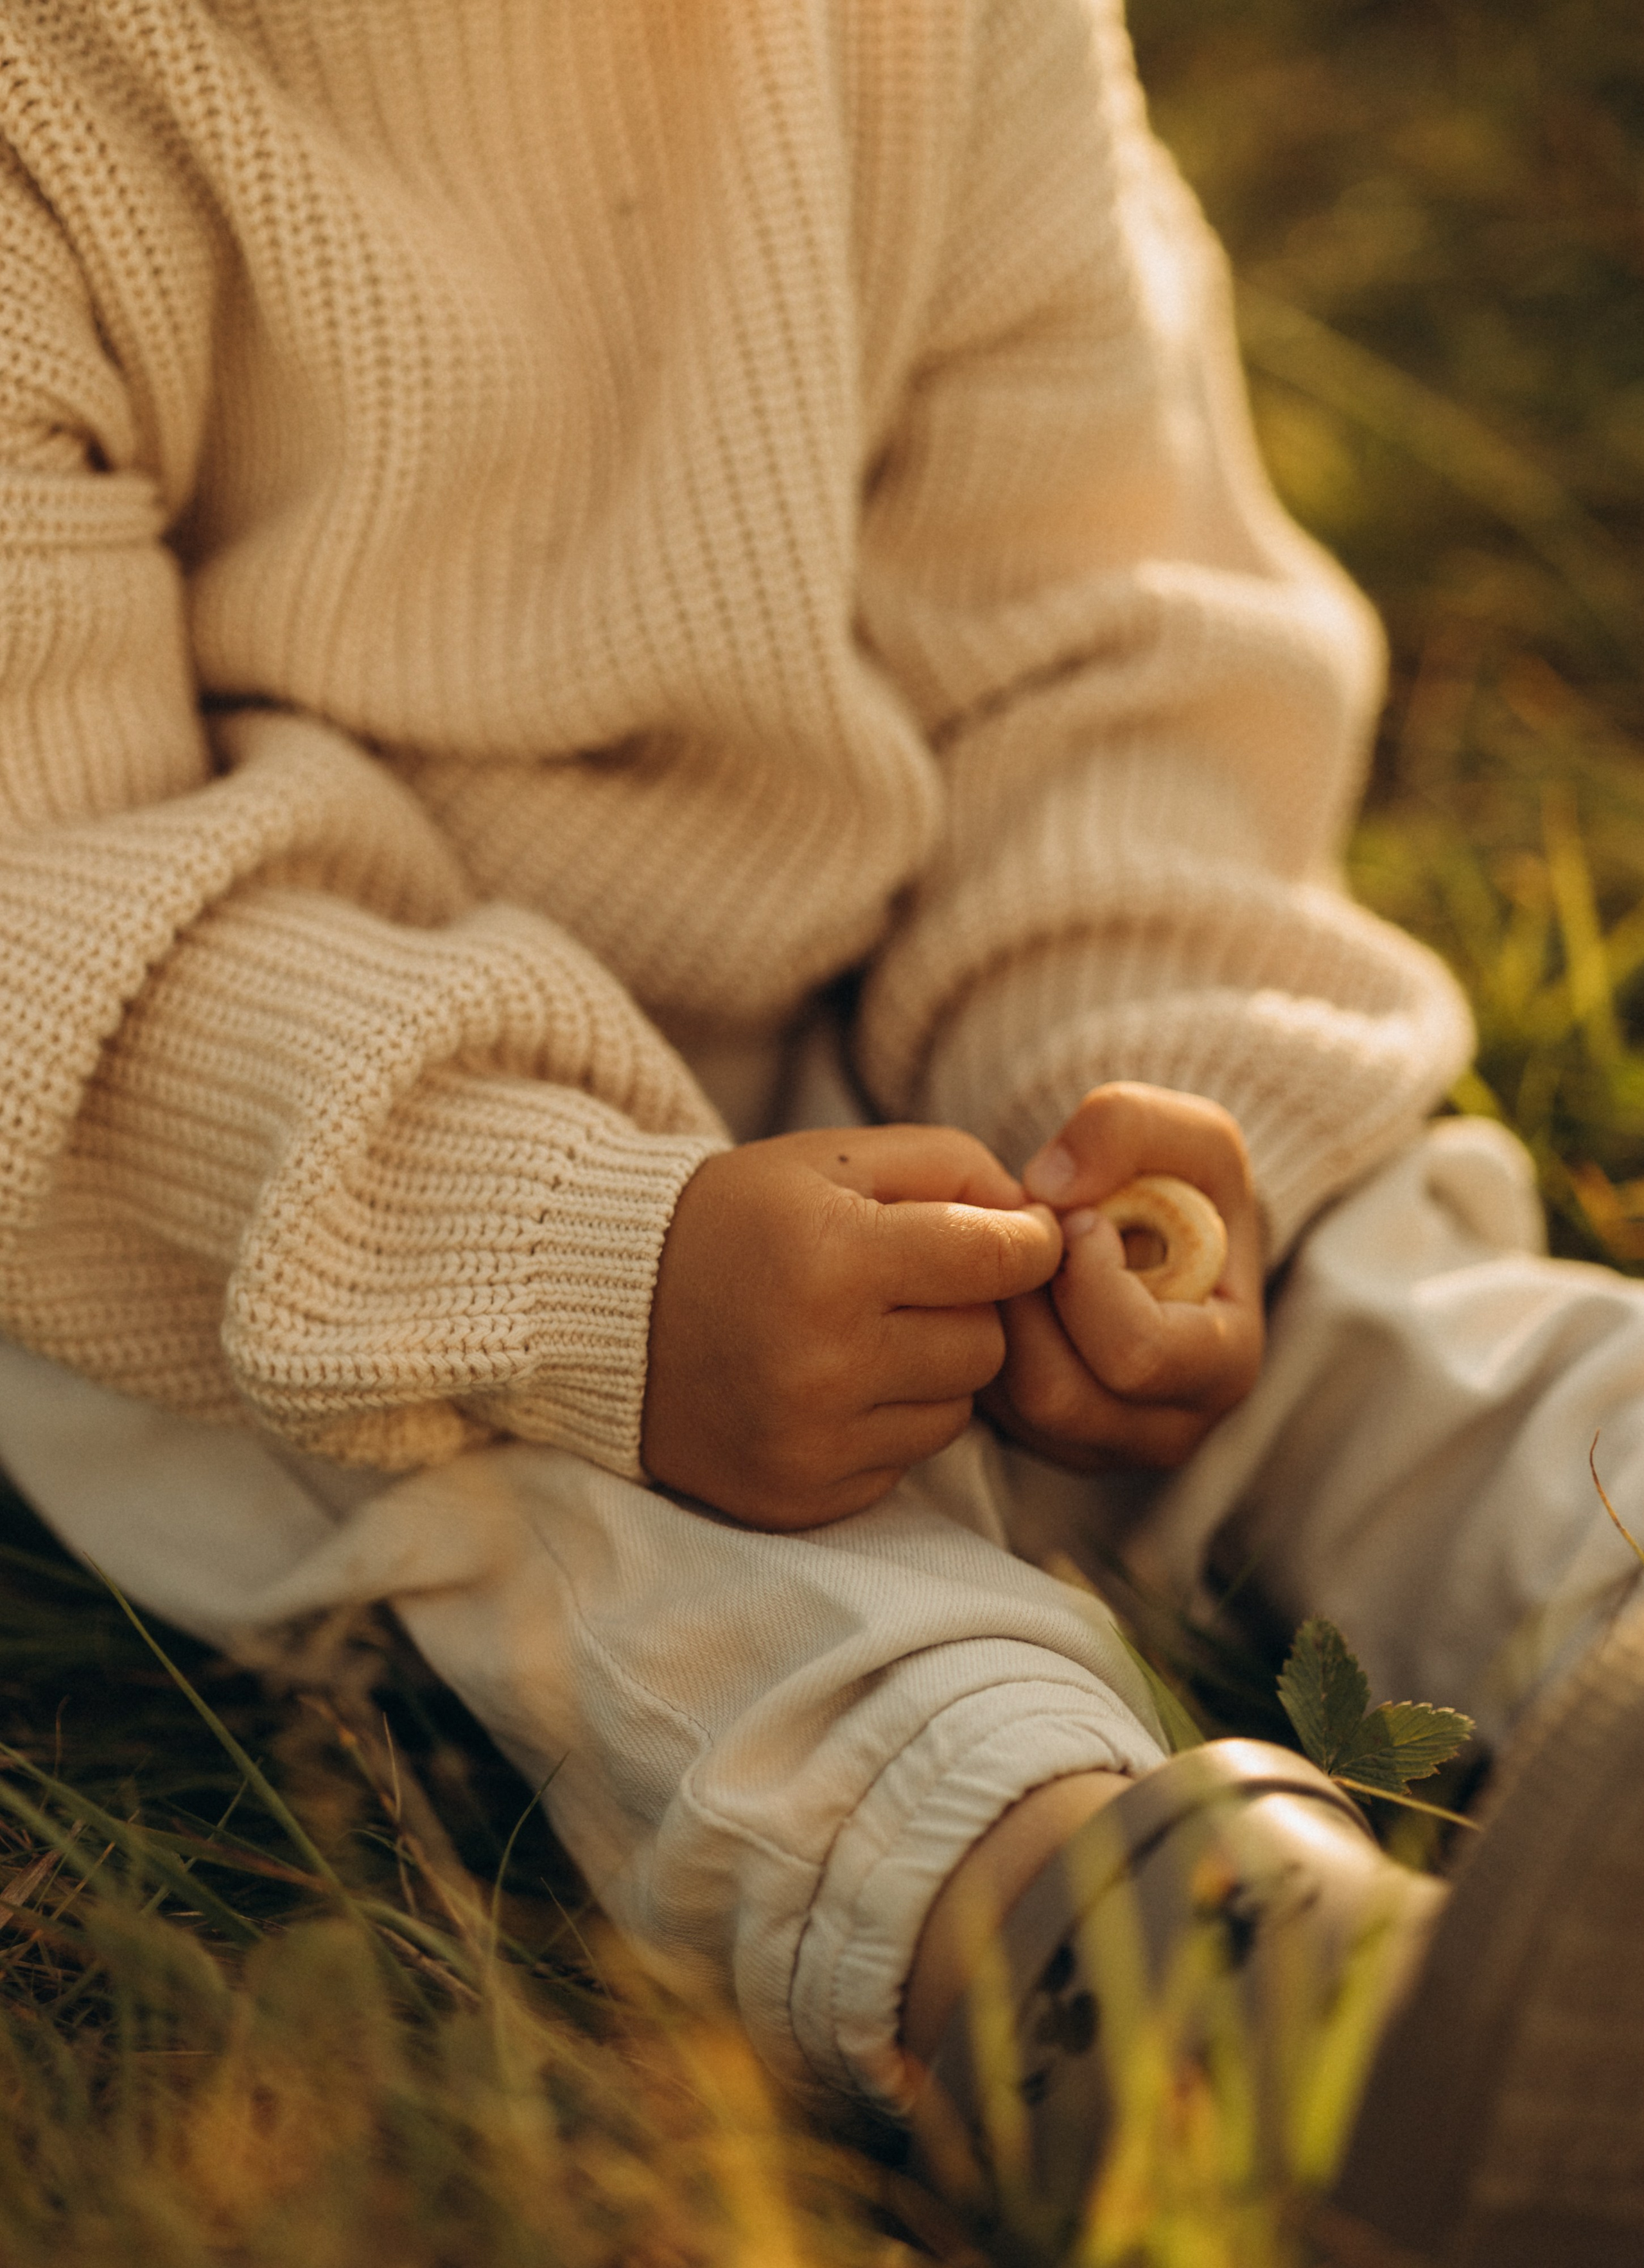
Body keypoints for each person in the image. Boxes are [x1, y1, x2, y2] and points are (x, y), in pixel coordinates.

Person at [0, 2, 1640, 2257]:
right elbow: (52, 897)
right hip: (303, 1182)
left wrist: (1135, 1093)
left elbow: (1084, 621)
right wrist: (593, 1266)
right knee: (670, 1573)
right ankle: (1172, 2010)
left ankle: (1604, 1556)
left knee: (1379, 1305)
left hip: (893, 1012)